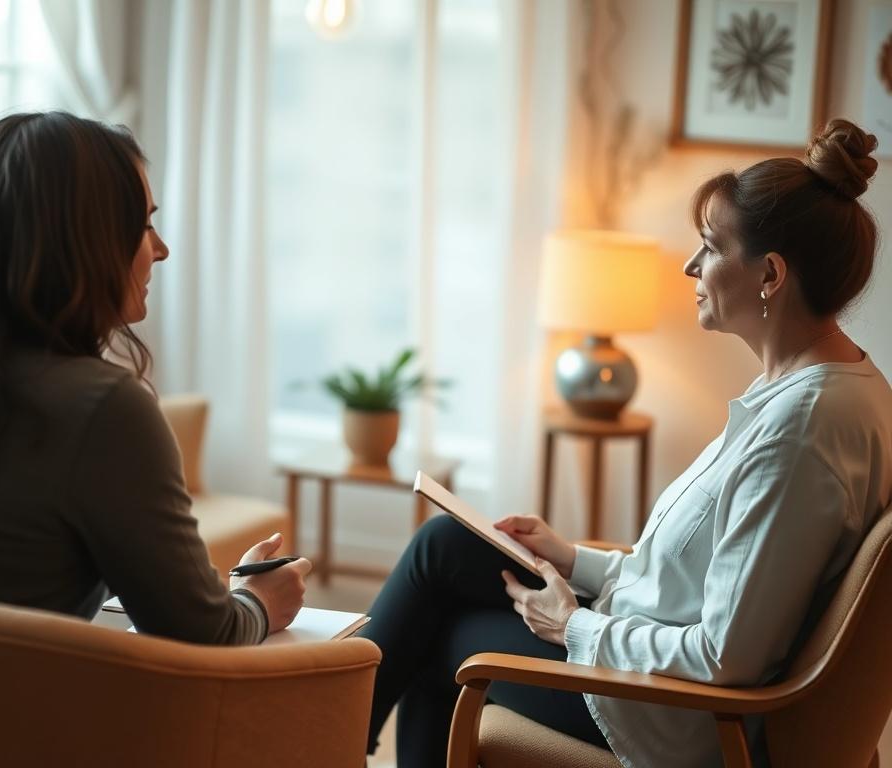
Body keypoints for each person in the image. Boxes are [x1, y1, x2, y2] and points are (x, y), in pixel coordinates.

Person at [360, 118, 892, 767]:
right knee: (444, 545)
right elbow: (692, 576)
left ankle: (321, 739)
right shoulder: (807, 391)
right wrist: (572, 558)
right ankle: (329, 737)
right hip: (640, 645)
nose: (692, 265)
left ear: (770, 275)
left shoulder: (804, 428)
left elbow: (724, 655)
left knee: (448, 638)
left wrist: (572, 625)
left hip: (668, 711)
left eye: (711, 246)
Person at [0, 112, 310, 645]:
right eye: (144, 224)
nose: (161, 248)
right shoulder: (101, 410)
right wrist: (259, 602)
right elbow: (202, 633)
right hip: (24, 724)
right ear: (85, 240)